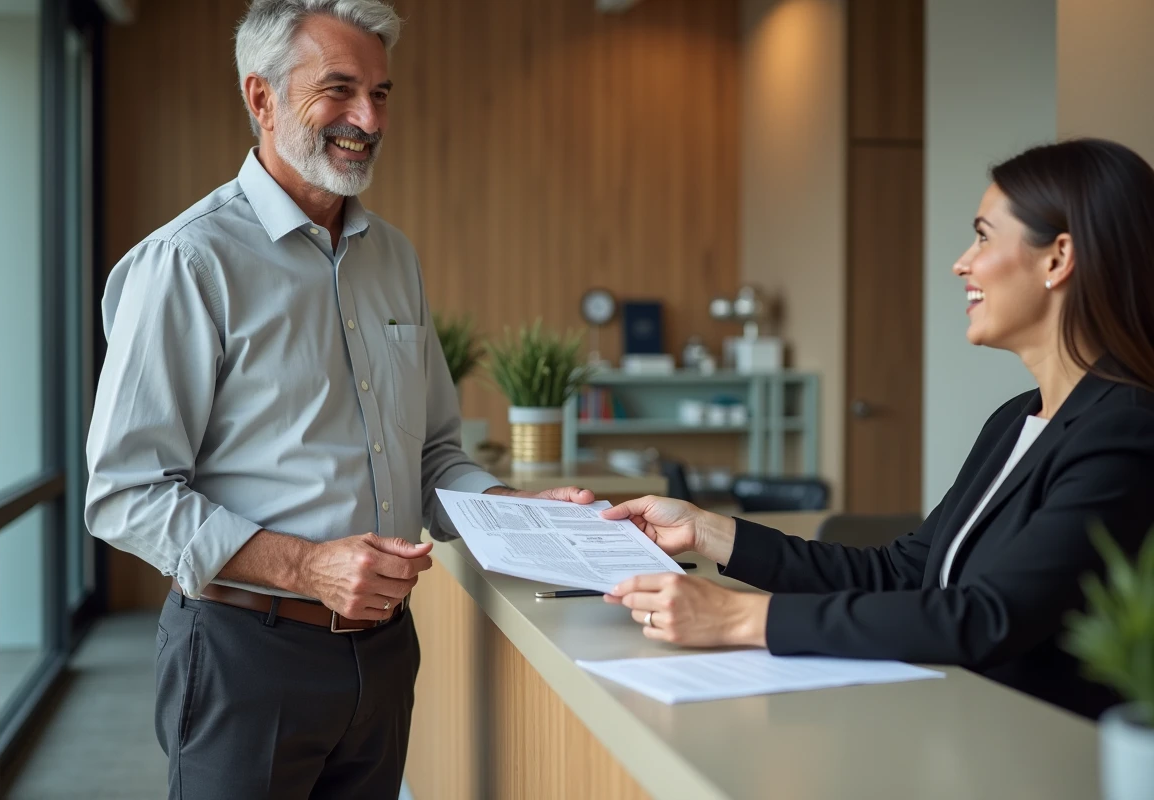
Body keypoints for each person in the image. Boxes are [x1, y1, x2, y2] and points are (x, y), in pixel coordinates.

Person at [84, 1, 591, 797]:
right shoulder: (189, 262)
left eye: (382, 93)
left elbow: (433, 459)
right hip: (244, 655)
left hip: (385, 654)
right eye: (340, 89)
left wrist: (524, 517)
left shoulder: (393, 257)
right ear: (262, 99)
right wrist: (309, 567)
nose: (368, 118)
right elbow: (125, 495)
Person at [603, 138, 1154, 720]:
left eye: (984, 236)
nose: (962, 262)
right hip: (952, 722)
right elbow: (902, 574)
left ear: (1057, 257)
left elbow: (990, 617)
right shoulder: (1016, 419)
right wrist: (706, 531)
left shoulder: (1125, 431)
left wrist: (738, 619)